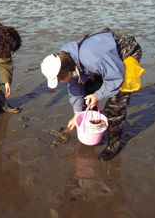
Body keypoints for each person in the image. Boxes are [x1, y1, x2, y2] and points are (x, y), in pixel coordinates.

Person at [41, 27, 142, 161]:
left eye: (59, 80)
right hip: (103, 58)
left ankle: (114, 145)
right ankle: (93, 128)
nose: (59, 83)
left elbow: (116, 77)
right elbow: (74, 86)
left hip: (125, 51)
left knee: (115, 105)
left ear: (67, 71)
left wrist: (98, 95)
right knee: (87, 97)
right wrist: (76, 114)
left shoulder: (92, 59)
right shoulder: (65, 58)